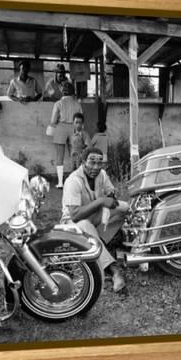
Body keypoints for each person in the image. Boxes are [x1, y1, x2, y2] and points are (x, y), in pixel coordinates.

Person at [61, 147, 128, 292]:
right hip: (72, 224)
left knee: (124, 208)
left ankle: (100, 240)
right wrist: (101, 202)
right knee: (85, 224)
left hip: (93, 216)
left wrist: (110, 197)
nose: (96, 167)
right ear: (83, 161)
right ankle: (114, 270)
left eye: (99, 163)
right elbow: (75, 215)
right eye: (92, 162)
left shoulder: (101, 174)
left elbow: (110, 192)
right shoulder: (73, 181)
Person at [49, 82, 83, 188]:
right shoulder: (77, 104)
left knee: (60, 157)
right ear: (73, 92)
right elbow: (81, 119)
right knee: (75, 156)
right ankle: (77, 181)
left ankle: (60, 182)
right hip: (74, 129)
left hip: (61, 129)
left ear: (62, 91)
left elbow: (53, 120)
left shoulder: (58, 104)